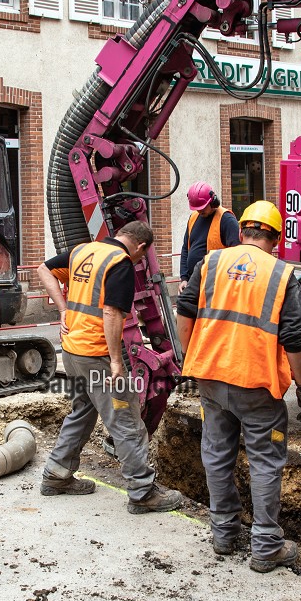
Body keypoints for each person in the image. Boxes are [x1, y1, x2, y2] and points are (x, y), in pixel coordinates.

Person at [177, 200, 301, 572]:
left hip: (211, 378)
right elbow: (295, 339)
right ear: (277, 238)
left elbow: (184, 312)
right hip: (257, 384)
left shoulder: (211, 263)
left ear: (242, 232)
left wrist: (190, 362)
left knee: (217, 454)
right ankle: (266, 545)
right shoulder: (283, 275)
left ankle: (224, 533)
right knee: (266, 462)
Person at [35, 220, 185, 514]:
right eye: (142, 255)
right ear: (140, 247)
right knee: (126, 419)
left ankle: (57, 475)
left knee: (83, 411)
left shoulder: (83, 250)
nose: (140, 260)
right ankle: (143, 493)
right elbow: (112, 312)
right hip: (96, 356)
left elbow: (43, 269)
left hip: (72, 351)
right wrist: (116, 360)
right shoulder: (121, 262)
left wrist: (63, 309)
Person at [179, 182, 240, 291]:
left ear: (213, 202)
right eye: (197, 208)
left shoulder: (226, 220)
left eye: (202, 207)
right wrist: (184, 278)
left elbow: (238, 255)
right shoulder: (193, 217)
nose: (199, 211)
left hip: (216, 286)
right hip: (194, 282)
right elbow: (185, 249)